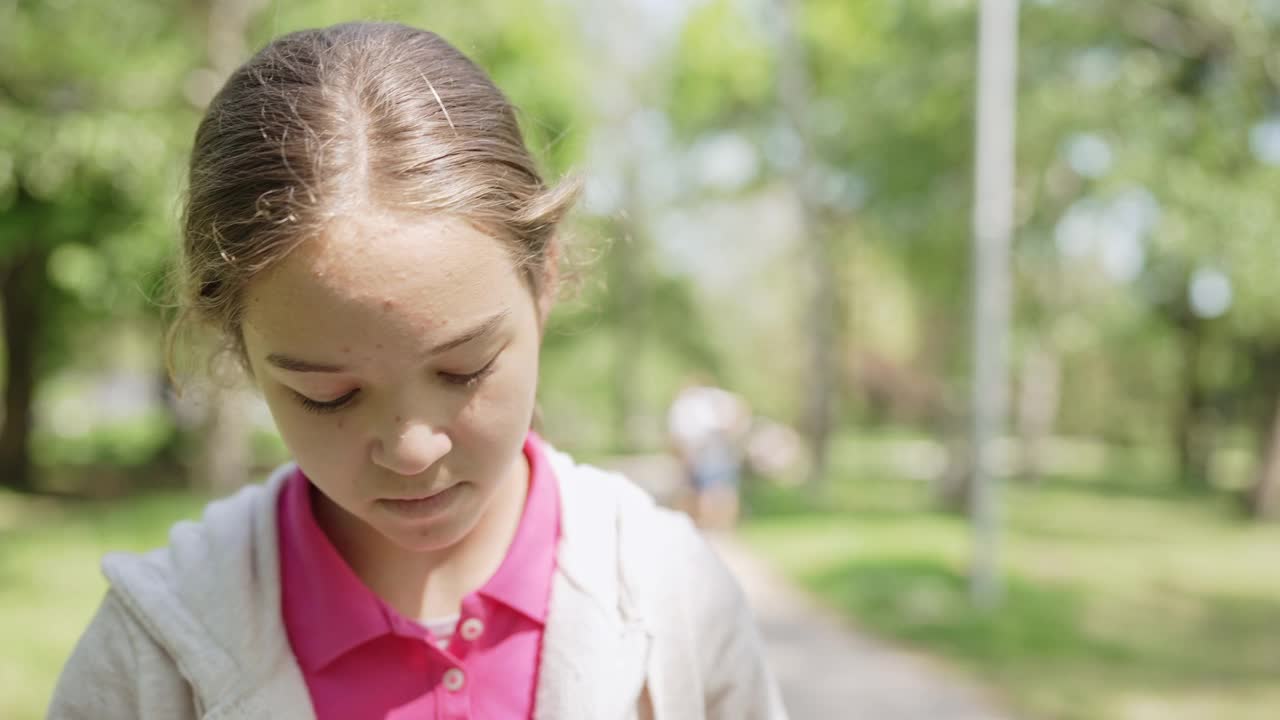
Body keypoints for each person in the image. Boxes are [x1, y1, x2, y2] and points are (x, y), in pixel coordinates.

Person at [48, 22, 786, 720]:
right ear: (236, 344)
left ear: (546, 277)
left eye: (464, 370)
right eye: (327, 396)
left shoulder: (674, 597)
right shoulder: (150, 656)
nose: (412, 451)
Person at [667, 377, 751, 530]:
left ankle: (715, 529)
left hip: (711, 455)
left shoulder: (708, 403)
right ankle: (709, 528)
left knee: (715, 493)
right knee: (703, 494)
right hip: (702, 455)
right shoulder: (691, 405)